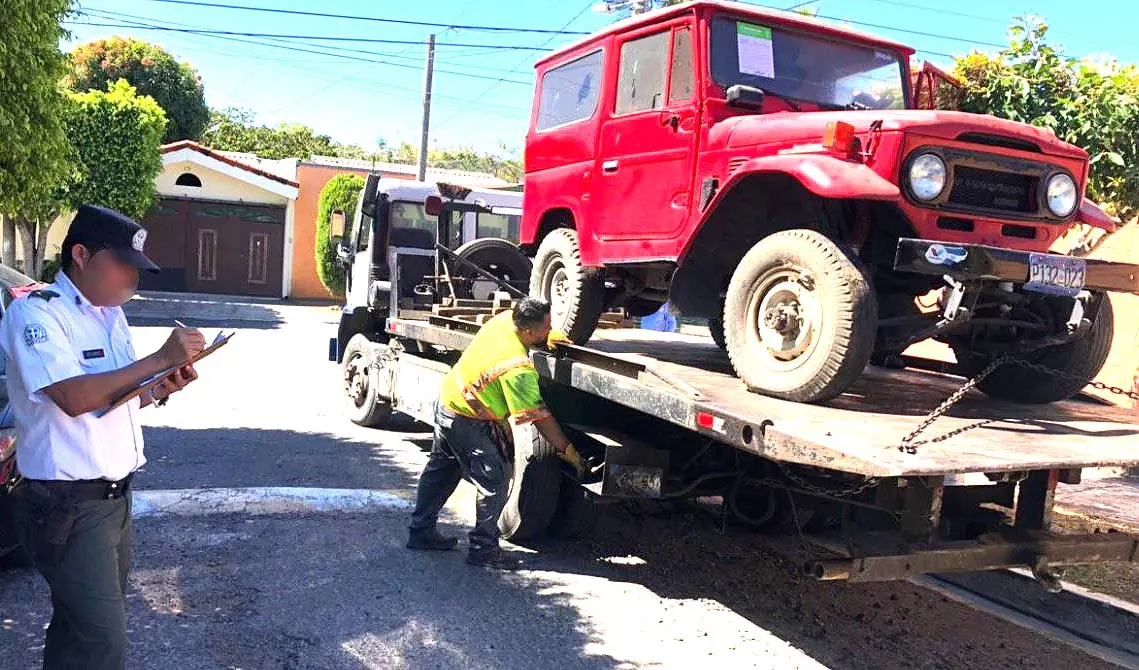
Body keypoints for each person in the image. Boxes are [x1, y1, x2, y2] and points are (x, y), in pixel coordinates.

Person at [1, 204, 206, 670]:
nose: (133, 278)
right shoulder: (37, 315)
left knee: (79, 631)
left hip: (113, 503)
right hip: (67, 506)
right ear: (80, 255)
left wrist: (159, 388)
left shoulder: (109, 316)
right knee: (101, 645)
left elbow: (112, 399)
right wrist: (158, 359)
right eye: (123, 265)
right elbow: (72, 397)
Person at [407, 297, 584, 570]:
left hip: (449, 400)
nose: (550, 330)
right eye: (546, 327)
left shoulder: (504, 320)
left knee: (442, 468)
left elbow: (531, 331)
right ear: (528, 332)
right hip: (468, 418)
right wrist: (567, 450)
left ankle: (420, 531)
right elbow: (539, 418)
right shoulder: (517, 368)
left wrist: (551, 337)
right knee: (496, 480)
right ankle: (483, 548)